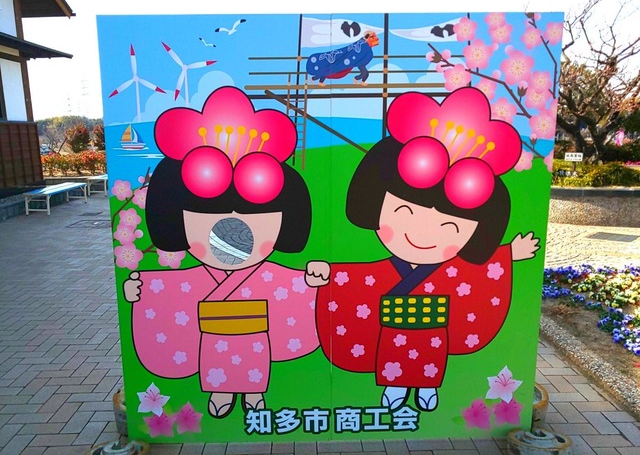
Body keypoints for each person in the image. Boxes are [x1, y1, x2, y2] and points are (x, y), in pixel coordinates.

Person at [306, 87, 539, 412]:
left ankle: (426, 387)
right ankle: (395, 386)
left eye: (450, 228)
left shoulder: (451, 270)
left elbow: (474, 274)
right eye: (403, 213)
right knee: (392, 355)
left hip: (432, 330)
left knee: (430, 357)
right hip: (392, 329)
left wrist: (507, 254)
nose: (424, 234)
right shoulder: (386, 271)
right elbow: (358, 277)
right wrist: (329, 275)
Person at [124, 86, 318, 419]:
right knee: (216, 363)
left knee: (255, 362)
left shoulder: (266, 274)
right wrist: (138, 292)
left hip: (255, 336)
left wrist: (312, 280)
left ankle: (254, 394)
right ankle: (222, 390)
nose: (232, 236)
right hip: (212, 338)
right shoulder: (197, 277)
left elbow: (296, 286)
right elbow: (165, 292)